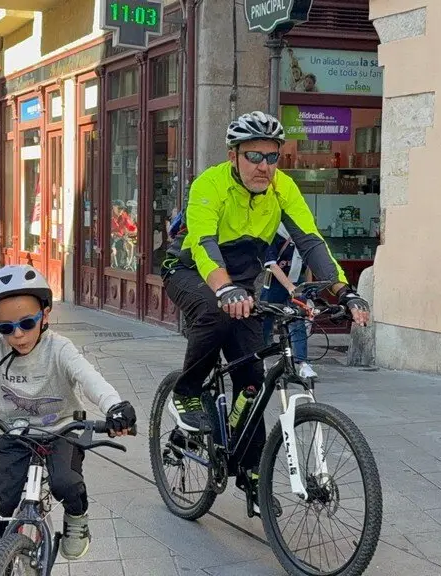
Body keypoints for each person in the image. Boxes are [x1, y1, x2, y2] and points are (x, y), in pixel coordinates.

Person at [161, 111, 371, 511]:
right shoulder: (210, 184)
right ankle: (186, 392)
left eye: (272, 157)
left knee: (253, 380)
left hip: (242, 284)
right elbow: (204, 243)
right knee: (215, 313)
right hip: (191, 271)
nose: (264, 166)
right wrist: (223, 288)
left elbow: (310, 242)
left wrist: (345, 293)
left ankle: (251, 476)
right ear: (233, 155)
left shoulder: (282, 188)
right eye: (254, 155)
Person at [0, 265, 136, 574]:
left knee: (66, 483)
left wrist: (115, 407)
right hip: (12, 434)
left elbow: (90, 380)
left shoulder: (60, 349)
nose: (17, 334)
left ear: (45, 314)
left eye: (27, 323)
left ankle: (76, 519)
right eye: (6, 327)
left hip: (61, 431)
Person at [260, 223, 317, 380]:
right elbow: (272, 264)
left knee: (298, 320)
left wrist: (308, 288)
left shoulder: (303, 236)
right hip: (275, 285)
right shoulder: (275, 233)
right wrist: (289, 286)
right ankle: (260, 360)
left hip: (297, 283)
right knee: (265, 321)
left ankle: (302, 363)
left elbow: (308, 265)